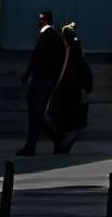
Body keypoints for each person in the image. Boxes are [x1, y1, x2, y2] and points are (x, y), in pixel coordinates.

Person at [20, 11, 64, 156]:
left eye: (40, 19)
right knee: (37, 115)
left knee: (35, 114)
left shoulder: (47, 36)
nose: (38, 22)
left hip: (41, 81)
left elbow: (36, 58)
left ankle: (36, 144)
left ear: (44, 20)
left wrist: (27, 75)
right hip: (46, 80)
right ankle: (52, 140)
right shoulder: (55, 36)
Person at [45, 20, 93, 155]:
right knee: (60, 121)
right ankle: (61, 143)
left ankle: (62, 145)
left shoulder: (70, 54)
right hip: (65, 94)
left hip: (70, 95)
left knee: (68, 123)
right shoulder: (66, 54)